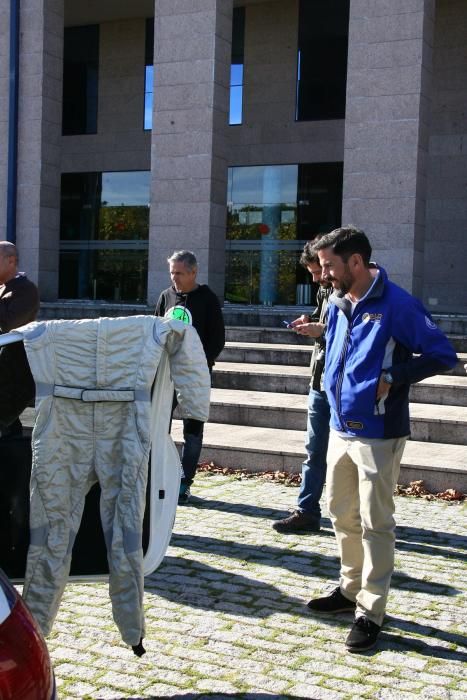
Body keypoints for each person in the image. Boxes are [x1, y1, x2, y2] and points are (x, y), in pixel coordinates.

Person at [307, 226, 457, 653]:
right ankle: (349, 589)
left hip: (378, 433)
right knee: (340, 514)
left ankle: (370, 611)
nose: (323, 275)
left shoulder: (397, 304)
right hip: (340, 428)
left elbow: (442, 353)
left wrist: (393, 376)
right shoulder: (337, 302)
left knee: (377, 524)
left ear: (356, 262)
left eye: (329, 266)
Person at [155, 250, 225, 503]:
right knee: (158, 425)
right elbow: (156, 330)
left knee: (193, 430)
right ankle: (160, 474)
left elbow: (217, 339)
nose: (174, 278)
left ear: (193, 272)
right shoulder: (166, 296)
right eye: (172, 272)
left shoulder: (207, 299)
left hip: (195, 374)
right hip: (166, 373)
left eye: (179, 273)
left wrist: (199, 363)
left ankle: (185, 482)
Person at [272, 240, 332, 533]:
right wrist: (310, 321)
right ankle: (307, 510)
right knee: (314, 449)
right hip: (319, 378)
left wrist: (322, 329)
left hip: (343, 382)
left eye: (317, 270)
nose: (316, 278)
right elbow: (324, 320)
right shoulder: (324, 288)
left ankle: (356, 516)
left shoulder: (351, 287)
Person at [0, 241, 39, 437]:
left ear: (11, 261)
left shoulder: (26, 290)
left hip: (13, 374)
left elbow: (9, 325)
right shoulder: (3, 289)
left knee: (7, 428)